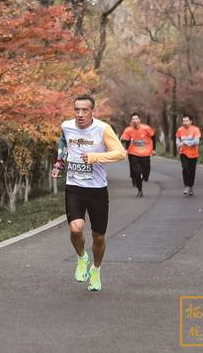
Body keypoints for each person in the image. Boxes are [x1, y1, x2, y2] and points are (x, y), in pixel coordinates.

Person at [51, 94, 126, 292]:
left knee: (99, 236)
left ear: (93, 111)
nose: (80, 114)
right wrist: (59, 163)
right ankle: (82, 257)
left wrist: (95, 157)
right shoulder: (67, 126)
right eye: (77, 110)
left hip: (97, 190)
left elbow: (120, 153)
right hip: (74, 187)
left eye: (85, 110)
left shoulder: (102, 129)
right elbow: (63, 143)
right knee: (76, 229)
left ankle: (96, 269)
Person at [120, 113, 156, 198]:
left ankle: (145, 177)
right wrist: (126, 149)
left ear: (139, 120)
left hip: (146, 153)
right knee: (136, 172)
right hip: (134, 153)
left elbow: (153, 137)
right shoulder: (128, 130)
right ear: (131, 121)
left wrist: (154, 149)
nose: (135, 121)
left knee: (146, 172)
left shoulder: (146, 128)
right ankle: (140, 190)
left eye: (136, 119)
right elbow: (127, 140)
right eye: (133, 119)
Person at [176, 114, 202, 196]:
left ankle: (190, 186)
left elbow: (196, 142)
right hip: (183, 152)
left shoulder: (195, 129)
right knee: (185, 168)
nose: (185, 122)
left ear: (190, 121)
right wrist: (178, 144)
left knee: (192, 171)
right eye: (183, 121)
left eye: (186, 121)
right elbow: (177, 140)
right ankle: (186, 186)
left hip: (193, 154)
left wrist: (185, 142)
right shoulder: (180, 130)